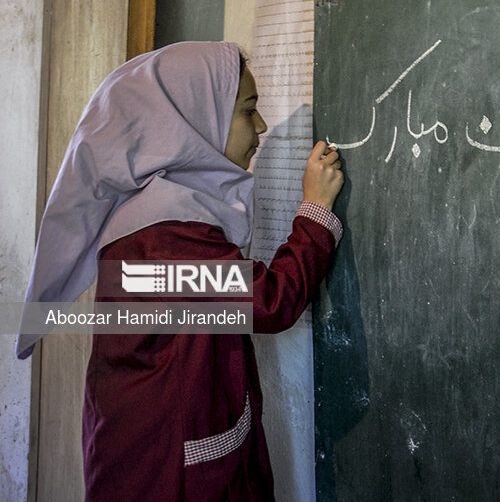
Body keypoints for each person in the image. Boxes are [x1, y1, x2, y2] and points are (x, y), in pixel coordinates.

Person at [15, 40, 345, 500]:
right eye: (248, 110)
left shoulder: (157, 213)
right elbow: (270, 303)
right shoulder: (162, 238)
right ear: (193, 118)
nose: (262, 126)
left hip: (156, 457)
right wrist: (315, 211)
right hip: (171, 476)